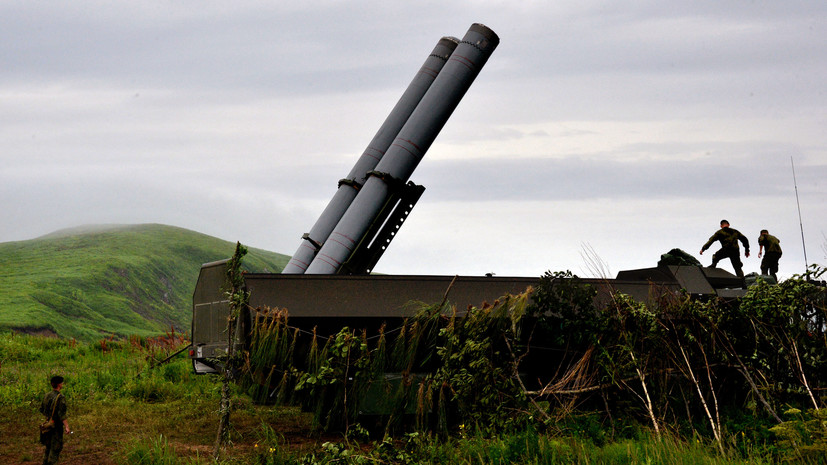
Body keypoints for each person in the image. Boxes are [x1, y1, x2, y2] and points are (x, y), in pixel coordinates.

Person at [40, 375, 69, 465]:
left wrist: (49, 418)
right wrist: (67, 426)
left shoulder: (47, 395)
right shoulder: (60, 397)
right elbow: (62, 415)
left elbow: (42, 409)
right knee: (55, 448)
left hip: (48, 425)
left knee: (48, 447)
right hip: (56, 426)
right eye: (62, 383)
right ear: (59, 385)